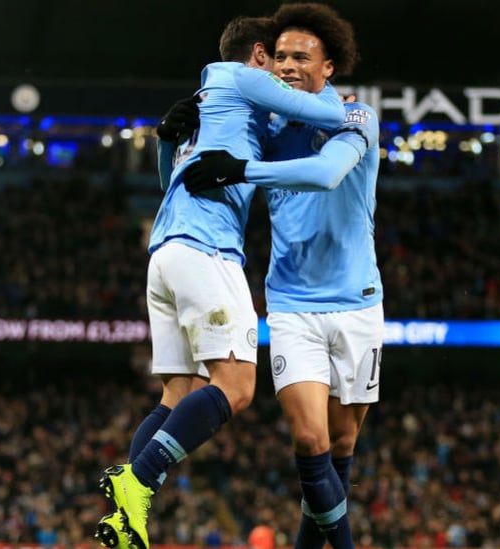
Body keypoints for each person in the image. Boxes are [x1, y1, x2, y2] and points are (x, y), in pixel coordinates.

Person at [95, 14, 348, 549]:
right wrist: (319, 80)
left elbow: (174, 181)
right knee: (235, 386)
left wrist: (168, 141)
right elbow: (329, 109)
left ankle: (124, 517)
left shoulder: (215, 105)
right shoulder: (239, 77)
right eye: (277, 60)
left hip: (166, 252)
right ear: (259, 54)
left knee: (178, 391)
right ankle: (136, 482)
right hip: (207, 249)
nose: (283, 71)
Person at [183, 5, 380, 549]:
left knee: (341, 445)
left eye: (302, 56)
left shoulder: (357, 117)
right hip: (291, 304)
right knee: (309, 438)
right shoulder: (266, 129)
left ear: (329, 67)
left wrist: (243, 169)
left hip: (358, 303)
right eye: (282, 55)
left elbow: (324, 173)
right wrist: (177, 133)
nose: (288, 65)